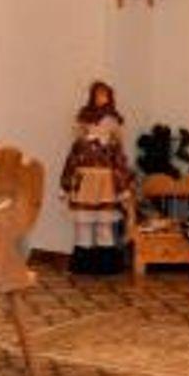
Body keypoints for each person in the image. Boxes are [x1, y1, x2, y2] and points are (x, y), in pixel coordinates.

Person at [59, 80, 133, 273]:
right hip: (84, 183)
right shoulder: (80, 142)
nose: (101, 98)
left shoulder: (113, 143)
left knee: (104, 224)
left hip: (106, 184)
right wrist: (65, 186)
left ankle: (105, 264)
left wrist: (123, 188)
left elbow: (120, 163)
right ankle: (83, 263)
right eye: (98, 94)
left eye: (105, 94)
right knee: (83, 224)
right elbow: (71, 162)